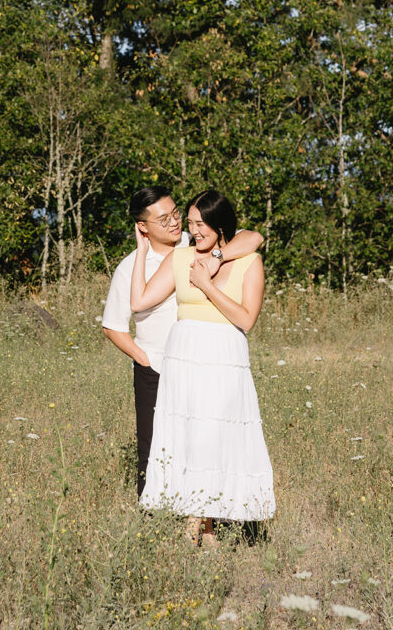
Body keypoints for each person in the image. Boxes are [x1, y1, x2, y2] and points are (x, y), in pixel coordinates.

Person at [130, 188, 275, 546]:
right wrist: (141, 251)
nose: (193, 230)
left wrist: (208, 284)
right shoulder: (181, 259)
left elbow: (246, 319)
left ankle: (192, 524)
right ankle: (207, 529)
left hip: (224, 356)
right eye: (191, 224)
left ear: (219, 223)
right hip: (186, 356)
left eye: (201, 223)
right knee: (192, 438)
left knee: (214, 435)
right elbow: (139, 302)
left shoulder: (247, 261)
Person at [102, 185, 263, 498]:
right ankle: (155, 526)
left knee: (203, 444)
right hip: (157, 366)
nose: (176, 223)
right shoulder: (130, 267)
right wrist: (145, 359)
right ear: (143, 227)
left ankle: (209, 514)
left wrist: (216, 257)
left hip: (204, 365)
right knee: (156, 449)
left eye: (176, 213)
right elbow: (113, 326)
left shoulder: (197, 241)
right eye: (164, 220)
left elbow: (253, 238)